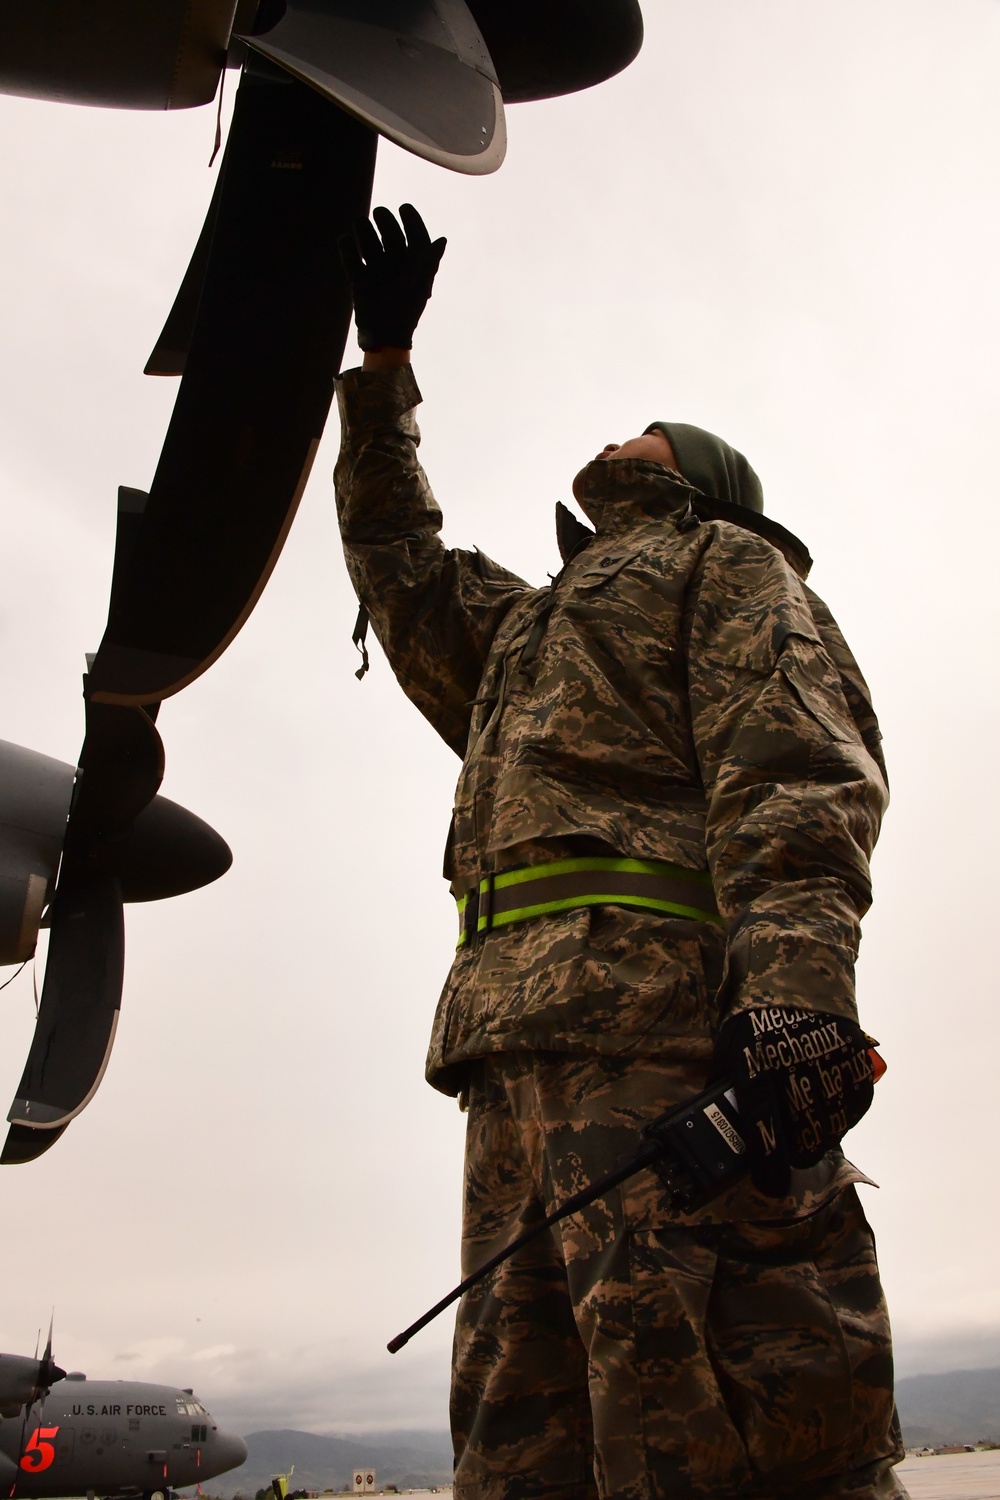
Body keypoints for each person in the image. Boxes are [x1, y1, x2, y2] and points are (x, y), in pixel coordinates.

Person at [334, 205, 907, 1500]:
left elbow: (799, 774)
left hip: (653, 1039)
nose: (622, 425)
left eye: (652, 423)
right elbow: (401, 570)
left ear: (695, 474)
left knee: (697, 1417)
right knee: (520, 1432)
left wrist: (798, 1007)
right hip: (509, 1065)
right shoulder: (537, 625)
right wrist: (381, 383)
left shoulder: (724, 567)